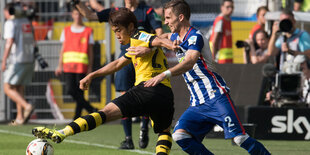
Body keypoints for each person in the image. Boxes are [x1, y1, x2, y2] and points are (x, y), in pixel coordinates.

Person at [32, 8, 176, 155]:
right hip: (166, 94)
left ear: (131, 27)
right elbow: (117, 64)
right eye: (114, 32)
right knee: (164, 132)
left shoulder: (139, 35)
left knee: (105, 112)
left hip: (147, 89)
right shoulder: (136, 43)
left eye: (119, 30)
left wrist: (171, 45)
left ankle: (63, 132)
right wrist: (92, 75)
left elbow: (157, 40)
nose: (117, 35)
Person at [144, 0, 271, 154]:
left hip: (216, 97)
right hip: (198, 103)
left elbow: (189, 62)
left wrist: (164, 74)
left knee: (239, 138)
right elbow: (163, 35)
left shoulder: (195, 36)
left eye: (169, 18)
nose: (166, 22)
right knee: (180, 135)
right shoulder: (176, 37)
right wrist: (157, 45)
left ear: (181, 17)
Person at [74, 0, 163, 149]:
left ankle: (143, 127)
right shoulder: (116, 12)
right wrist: (76, 2)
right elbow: (89, 15)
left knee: (146, 94)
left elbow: (160, 34)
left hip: (144, 60)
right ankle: (128, 138)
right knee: (123, 97)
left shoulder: (147, 11)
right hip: (126, 58)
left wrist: (149, 48)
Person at [55, 8, 97, 120]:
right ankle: (91, 109)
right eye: (75, 14)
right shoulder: (66, 30)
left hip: (82, 67)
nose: (77, 16)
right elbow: (63, 49)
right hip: (68, 66)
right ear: (72, 15)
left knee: (80, 92)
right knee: (70, 90)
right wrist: (59, 65)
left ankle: (76, 117)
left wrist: (90, 68)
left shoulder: (88, 30)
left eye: (79, 14)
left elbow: (90, 51)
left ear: (82, 15)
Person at [1, 3, 35, 125]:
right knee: (19, 87)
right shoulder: (26, 20)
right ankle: (20, 117)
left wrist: (4, 60)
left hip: (16, 59)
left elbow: (9, 42)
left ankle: (27, 106)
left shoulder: (10, 23)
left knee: (7, 88)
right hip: (29, 58)